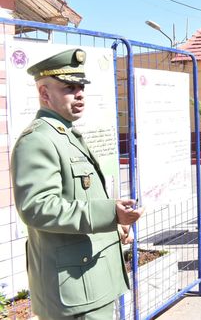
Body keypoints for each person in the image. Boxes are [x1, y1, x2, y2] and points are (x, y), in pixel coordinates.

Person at [10, 49, 144, 319]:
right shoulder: (38, 140)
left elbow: (80, 199)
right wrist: (109, 213)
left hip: (89, 281)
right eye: (69, 87)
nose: (80, 93)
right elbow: (37, 207)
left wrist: (114, 227)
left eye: (81, 86)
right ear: (45, 93)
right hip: (74, 289)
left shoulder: (64, 134)